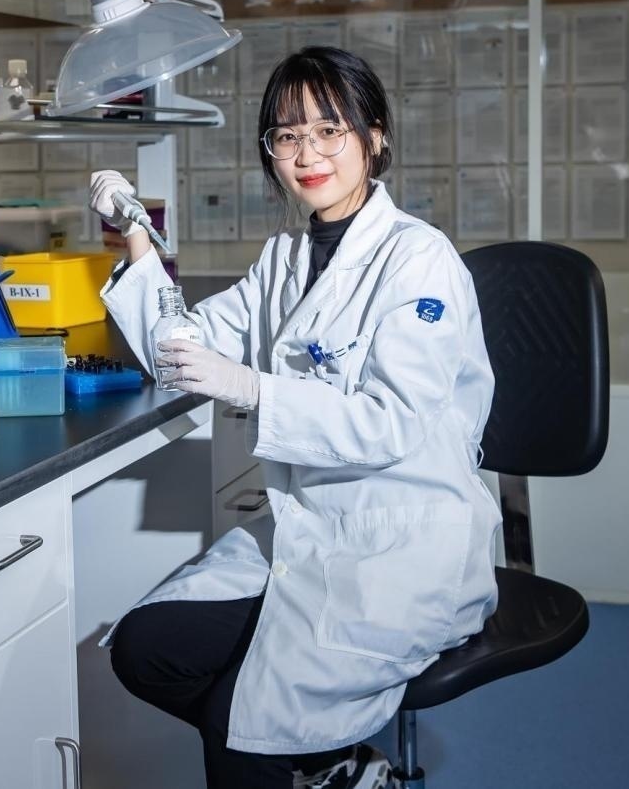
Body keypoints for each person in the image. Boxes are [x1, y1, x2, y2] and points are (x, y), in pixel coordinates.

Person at [89, 46, 502, 789]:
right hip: (305, 527)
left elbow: (391, 423)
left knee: (242, 727)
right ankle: (330, 764)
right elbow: (178, 350)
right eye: (287, 136)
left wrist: (253, 388)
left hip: (400, 542)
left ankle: (309, 761)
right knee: (146, 649)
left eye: (328, 131)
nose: (307, 154)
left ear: (374, 137)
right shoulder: (285, 256)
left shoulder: (419, 260)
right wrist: (137, 239)